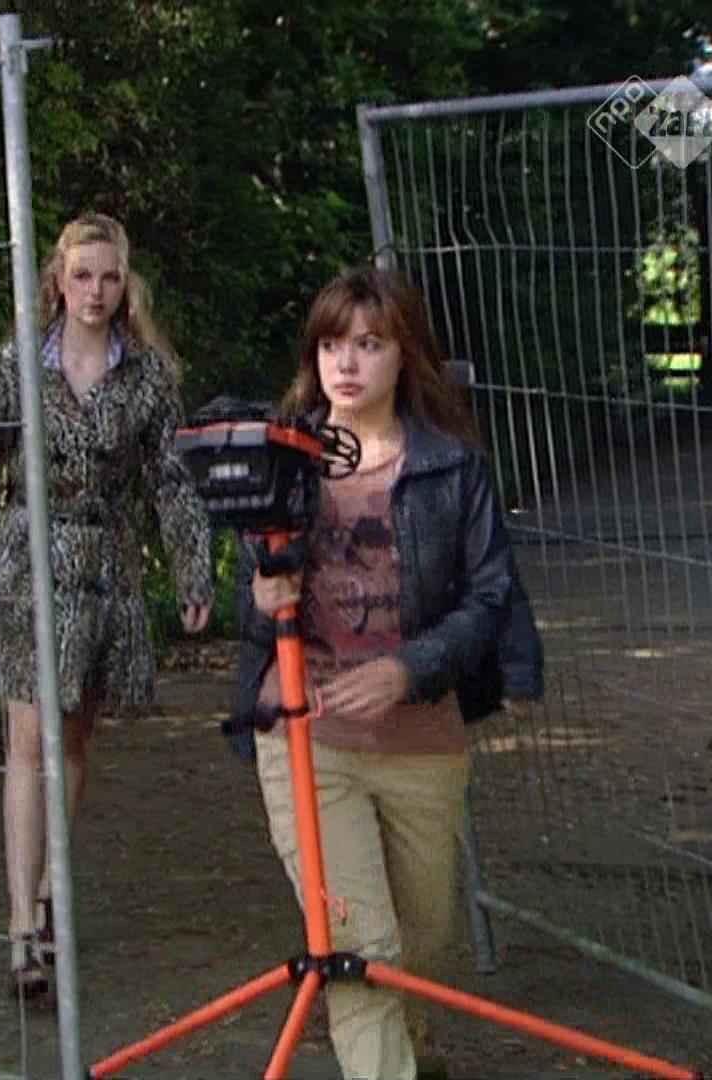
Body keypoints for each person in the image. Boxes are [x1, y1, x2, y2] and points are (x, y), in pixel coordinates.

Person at [233, 266, 543, 1078]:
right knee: (357, 945)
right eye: (332, 344)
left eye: (369, 344)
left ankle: (413, 1052)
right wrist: (264, 598)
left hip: (420, 743)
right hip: (305, 738)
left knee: (417, 945)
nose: (347, 363)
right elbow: (248, 612)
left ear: (405, 355)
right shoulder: (276, 461)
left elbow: (491, 594)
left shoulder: (452, 466)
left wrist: (411, 669)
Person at [0, 212, 212, 1000]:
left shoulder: (149, 377)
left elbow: (171, 481)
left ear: (128, 285)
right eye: (82, 274)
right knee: (27, 739)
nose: (96, 290)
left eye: (110, 276)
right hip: (28, 561)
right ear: (58, 280)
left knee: (72, 741)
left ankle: (52, 893)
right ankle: (21, 925)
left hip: (103, 567)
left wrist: (192, 571)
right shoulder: (20, 364)